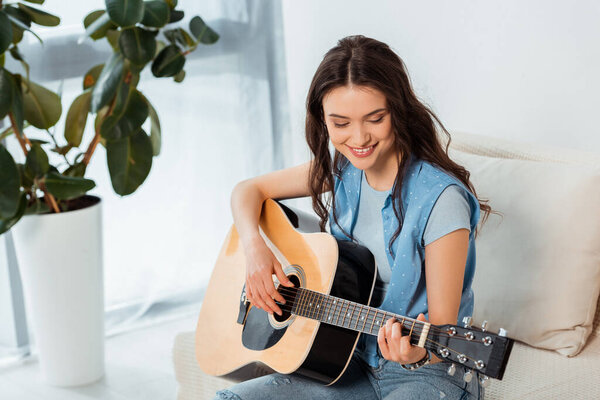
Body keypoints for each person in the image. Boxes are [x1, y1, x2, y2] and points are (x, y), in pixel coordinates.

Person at [217, 34, 493, 400]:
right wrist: (255, 252)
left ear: (398, 110)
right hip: (345, 360)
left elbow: (440, 332)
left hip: (427, 374)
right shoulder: (340, 171)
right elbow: (247, 191)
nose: (358, 137)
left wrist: (415, 352)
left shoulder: (442, 200)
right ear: (323, 120)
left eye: (375, 118)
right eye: (340, 123)